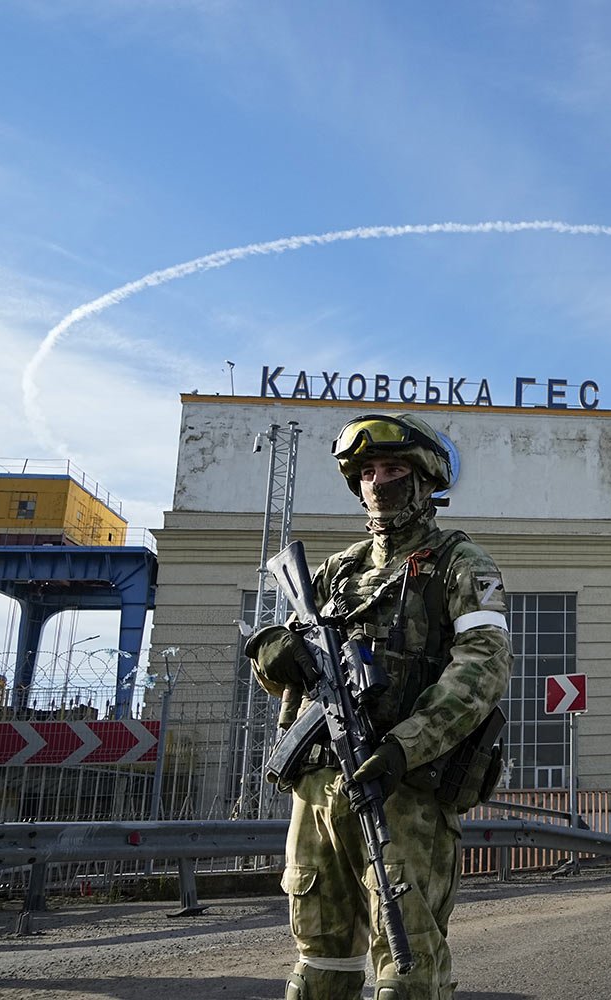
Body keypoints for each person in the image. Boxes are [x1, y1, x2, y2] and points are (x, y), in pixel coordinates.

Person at [245, 412, 514, 1000]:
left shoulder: (461, 565)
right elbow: (280, 661)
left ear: (424, 481)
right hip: (320, 787)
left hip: (404, 788)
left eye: (393, 468)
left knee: (407, 966)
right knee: (319, 964)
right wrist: (275, 653)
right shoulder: (338, 571)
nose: (378, 481)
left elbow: (482, 669)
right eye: (367, 471)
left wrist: (403, 747)